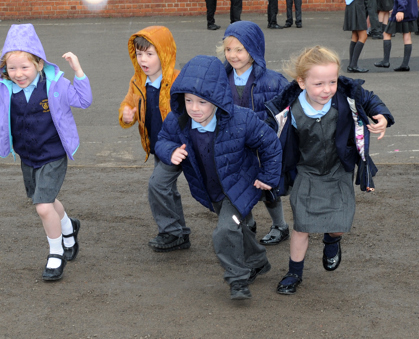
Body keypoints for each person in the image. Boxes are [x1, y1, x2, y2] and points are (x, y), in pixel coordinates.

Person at [264, 46, 394, 295]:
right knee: (301, 225)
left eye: (332, 81)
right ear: (301, 82)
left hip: (338, 169)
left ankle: (332, 240)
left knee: (339, 223)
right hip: (307, 171)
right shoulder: (287, 107)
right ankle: (294, 272)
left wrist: (382, 116)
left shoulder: (347, 95)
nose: (327, 89)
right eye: (319, 83)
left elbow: (370, 100)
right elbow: (267, 134)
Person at [0, 24, 93, 281]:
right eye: (12, 68)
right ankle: (69, 227)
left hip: (53, 154)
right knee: (46, 199)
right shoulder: (3, 88)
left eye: (24, 67)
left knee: (43, 205)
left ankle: (56, 254)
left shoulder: (55, 84)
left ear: (38, 63)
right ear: (5, 68)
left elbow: (84, 100)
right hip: (28, 155)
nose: (18, 73)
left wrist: (78, 71)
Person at [155, 55, 282, 300]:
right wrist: (170, 151)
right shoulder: (178, 120)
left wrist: (268, 175)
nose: (194, 108)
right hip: (211, 189)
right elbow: (163, 140)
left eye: (202, 101)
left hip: (240, 186)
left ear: (218, 99)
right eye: (188, 100)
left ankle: (237, 279)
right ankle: (257, 260)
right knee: (238, 227)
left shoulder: (241, 119)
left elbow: (270, 143)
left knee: (224, 230)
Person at [217, 21, 290, 245]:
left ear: (254, 49)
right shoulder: (220, 78)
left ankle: (280, 225)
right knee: (238, 187)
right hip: (234, 146)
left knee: (268, 188)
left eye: (239, 49)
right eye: (228, 49)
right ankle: (247, 223)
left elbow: (284, 114)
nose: (233, 55)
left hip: (261, 147)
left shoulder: (274, 81)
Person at [118, 26, 188, 252]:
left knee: (157, 185)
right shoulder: (138, 81)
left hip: (177, 146)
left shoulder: (178, 81)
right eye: (139, 54)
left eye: (150, 54)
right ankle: (180, 232)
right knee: (167, 188)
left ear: (164, 54)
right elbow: (128, 104)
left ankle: (171, 231)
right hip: (158, 146)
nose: (143, 60)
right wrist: (127, 115)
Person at [374, 0, 418, 71]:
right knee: (407, 35)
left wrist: (400, 10)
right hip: (411, 11)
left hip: (401, 12)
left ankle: (385, 61)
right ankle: (405, 64)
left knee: (386, 33)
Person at [344, 0, 369, 73]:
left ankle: (351, 64)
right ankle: (353, 65)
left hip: (352, 2)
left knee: (355, 35)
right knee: (363, 36)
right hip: (357, 2)